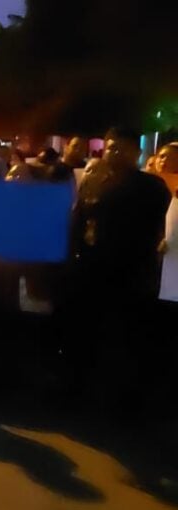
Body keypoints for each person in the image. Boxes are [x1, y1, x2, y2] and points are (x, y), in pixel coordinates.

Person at [65, 127, 172, 411]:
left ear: (135, 152)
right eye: (110, 148)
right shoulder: (94, 179)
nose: (114, 153)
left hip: (132, 273)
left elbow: (166, 226)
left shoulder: (152, 187)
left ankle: (123, 404)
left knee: (127, 339)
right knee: (86, 334)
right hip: (92, 269)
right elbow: (79, 220)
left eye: (121, 149)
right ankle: (78, 392)